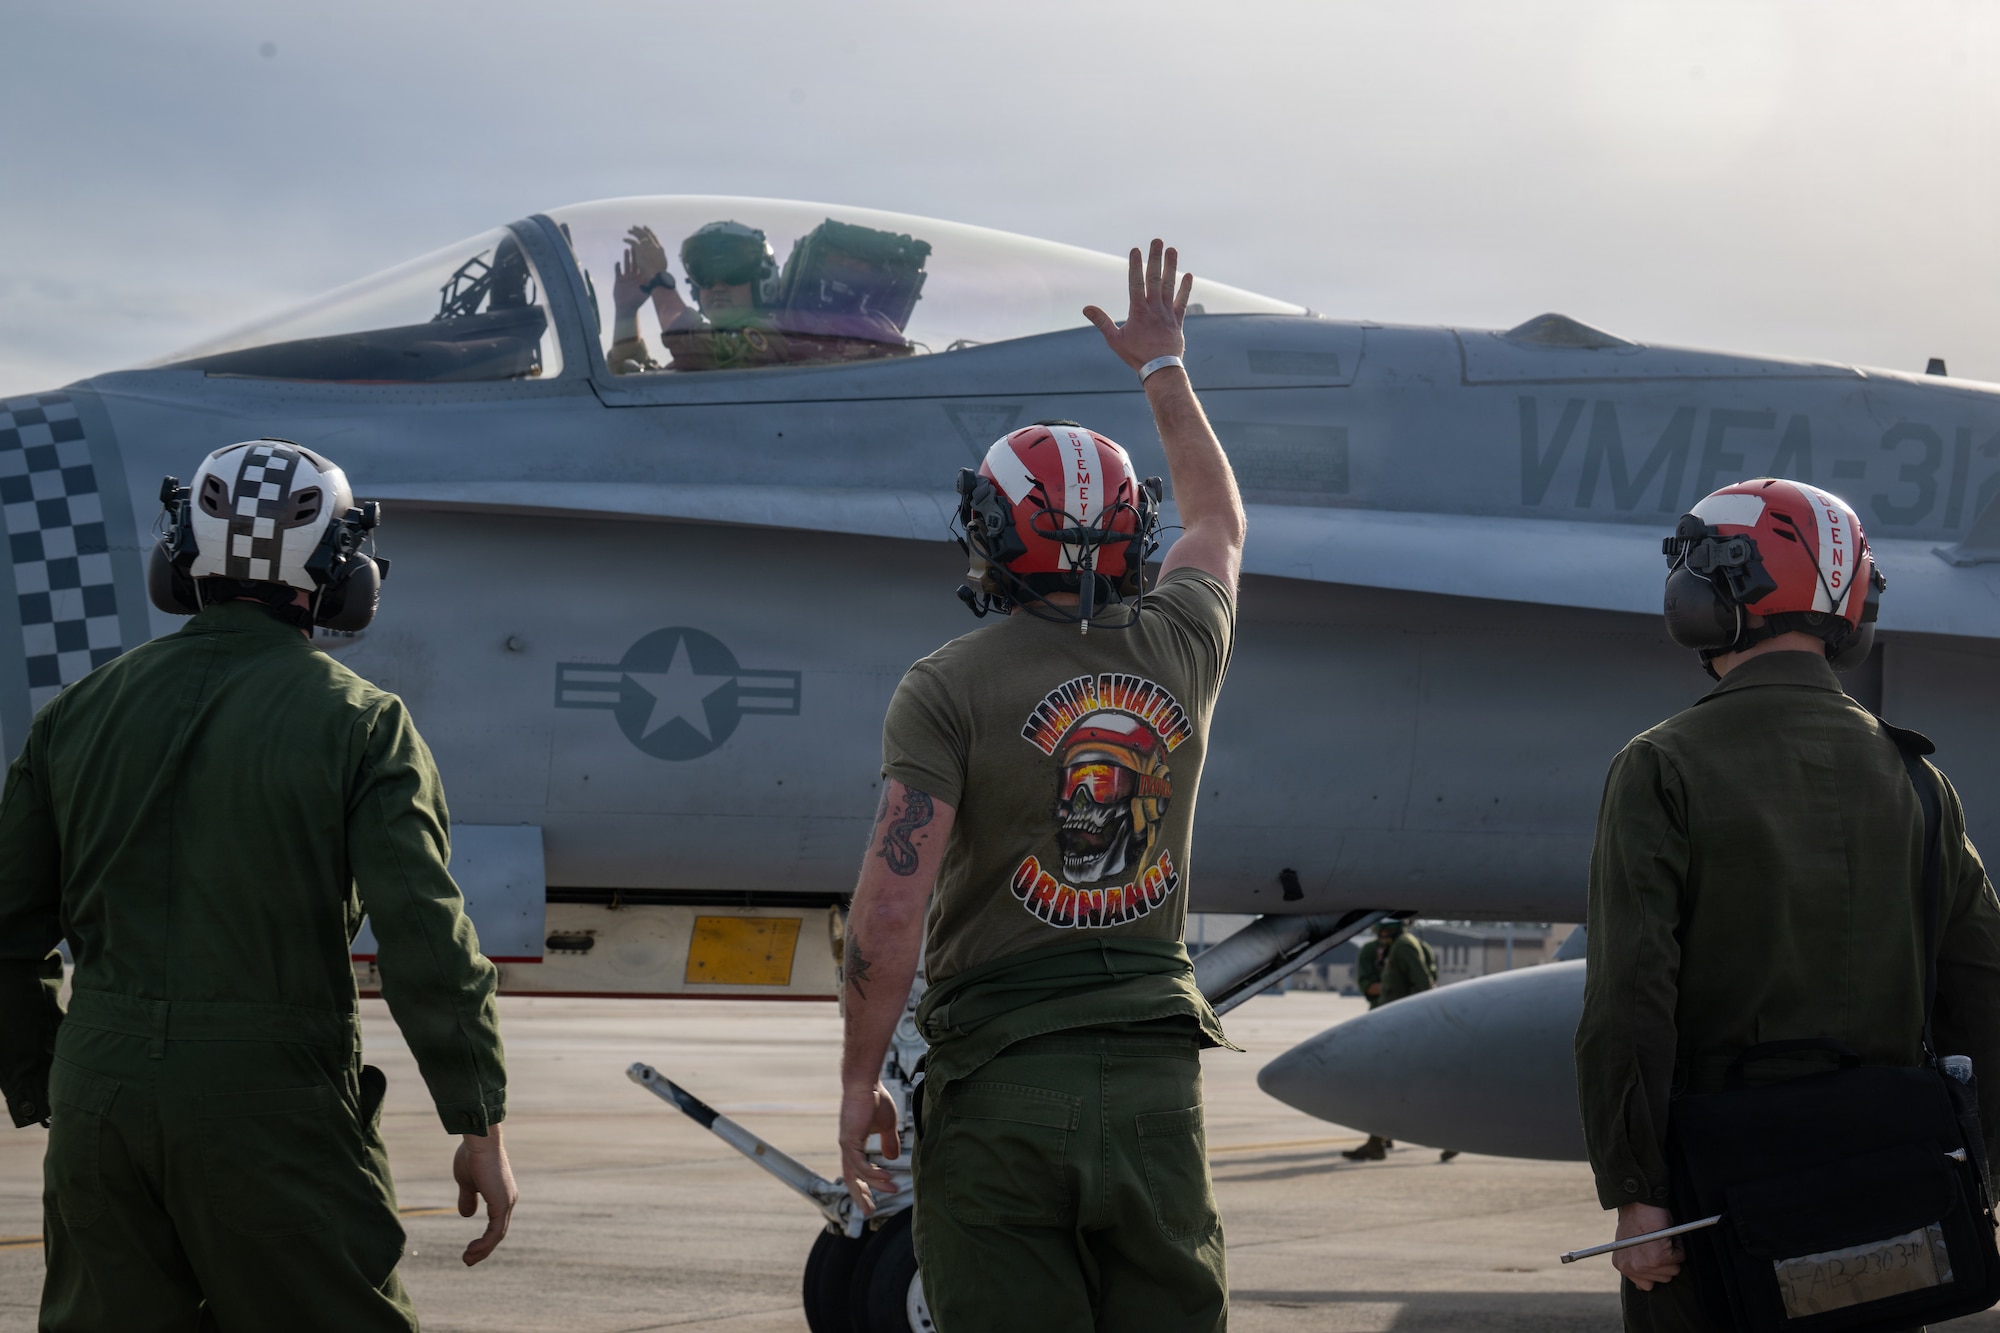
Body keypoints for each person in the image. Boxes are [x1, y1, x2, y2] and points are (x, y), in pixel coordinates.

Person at [0, 440, 515, 1331]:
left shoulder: (74, 716)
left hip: (99, 1100)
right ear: (340, 573)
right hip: (272, 1108)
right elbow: (426, 934)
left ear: (180, 556)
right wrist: (479, 1121)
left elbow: (6, 931)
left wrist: (53, 1079)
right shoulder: (363, 724)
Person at [837, 240, 1244, 1332]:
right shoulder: (1179, 646)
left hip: (1001, 1091)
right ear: (1129, 536)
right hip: (1156, 1095)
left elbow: (888, 911)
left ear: (987, 538)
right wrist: (1162, 365)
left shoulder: (945, 686)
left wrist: (857, 1079)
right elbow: (1215, 520)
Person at [1574, 478, 2000, 1332]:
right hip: (1889, 1196)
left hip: (1725, 1202)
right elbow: (1983, 986)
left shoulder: (1662, 766)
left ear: (1718, 590)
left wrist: (1637, 1195)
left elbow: (1632, 993)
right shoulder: (1919, 780)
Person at [1342, 918, 1438, 1162]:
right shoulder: (1391, 947)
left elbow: (1425, 984)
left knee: (1391, 1085)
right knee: (1389, 1085)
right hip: (1388, 1025)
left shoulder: (1404, 946)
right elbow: (1370, 986)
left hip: (1398, 1028)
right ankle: (1378, 1140)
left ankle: (1456, 1136)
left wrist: (1411, 1019)